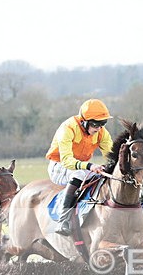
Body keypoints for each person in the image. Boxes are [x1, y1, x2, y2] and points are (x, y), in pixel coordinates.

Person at [46, 98, 113, 235]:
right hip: (59, 166)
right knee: (80, 174)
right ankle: (63, 220)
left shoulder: (101, 132)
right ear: (84, 121)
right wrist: (89, 166)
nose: (99, 128)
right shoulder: (68, 128)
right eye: (95, 124)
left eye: (102, 124)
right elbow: (66, 161)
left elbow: (111, 155)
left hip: (81, 167)